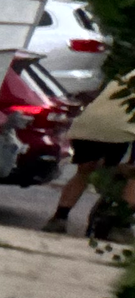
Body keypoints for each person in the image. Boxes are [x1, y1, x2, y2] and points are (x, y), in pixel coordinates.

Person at [48, 76, 135, 234]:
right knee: (133, 174)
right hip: (122, 127)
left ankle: (59, 218)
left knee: (84, 171)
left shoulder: (128, 75)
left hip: (88, 124)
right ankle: (120, 226)